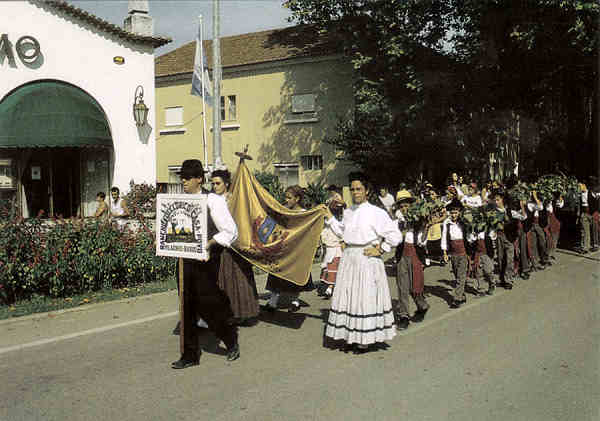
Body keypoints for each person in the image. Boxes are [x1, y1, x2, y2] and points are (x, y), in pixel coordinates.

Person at [171, 159, 240, 369]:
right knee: (187, 306)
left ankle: (230, 339)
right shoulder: (177, 201)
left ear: (199, 179)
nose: (183, 181)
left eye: (188, 178)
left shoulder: (213, 201)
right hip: (185, 262)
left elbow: (230, 231)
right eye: (182, 177)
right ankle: (190, 354)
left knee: (210, 304)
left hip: (206, 260)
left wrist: (209, 243)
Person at [325, 173, 401, 353]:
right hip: (349, 259)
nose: (355, 192)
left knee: (364, 298)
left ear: (366, 191)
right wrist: (328, 215)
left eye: (359, 189)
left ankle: (364, 340)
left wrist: (381, 249)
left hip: (367, 259)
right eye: (352, 189)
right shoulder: (349, 211)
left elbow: (395, 235)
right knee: (350, 297)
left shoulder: (376, 212)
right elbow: (342, 231)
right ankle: (352, 336)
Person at [211, 169, 260, 325]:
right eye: (212, 183)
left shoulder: (233, 200)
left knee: (240, 277)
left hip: (236, 244)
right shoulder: (212, 200)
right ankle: (230, 312)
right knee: (225, 278)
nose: (214, 187)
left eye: (218, 183)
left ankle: (245, 312)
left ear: (226, 184)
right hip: (221, 245)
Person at [264, 185, 314, 313]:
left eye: (289, 197)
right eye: (286, 197)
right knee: (277, 273)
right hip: (282, 248)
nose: (286, 200)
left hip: (297, 250)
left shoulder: (304, 213)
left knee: (295, 275)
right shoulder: (283, 210)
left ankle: (295, 301)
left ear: (297, 199)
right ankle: (272, 301)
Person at [394, 189, 430, 330]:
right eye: (401, 206)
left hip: (415, 254)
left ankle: (422, 306)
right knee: (403, 286)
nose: (404, 209)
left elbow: (422, 241)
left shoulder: (419, 221)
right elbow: (394, 239)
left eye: (406, 206)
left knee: (415, 287)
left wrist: (425, 227)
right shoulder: (398, 222)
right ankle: (404, 316)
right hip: (402, 254)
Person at [442, 199, 469, 308]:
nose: (453, 215)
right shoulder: (447, 223)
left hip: (463, 251)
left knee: (461, 275)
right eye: (452, 212)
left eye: (456, 212)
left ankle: (457, 298)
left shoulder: (463, 223)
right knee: (456, 274)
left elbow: (469, 236)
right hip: (453, 252)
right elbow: (444, 237)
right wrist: (444, 252)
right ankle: (462, 295)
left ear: (460, 212)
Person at [319, 187, 345, 298]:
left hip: (336, 248)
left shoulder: (341, 222)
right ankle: (329, 286)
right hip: (328, 247)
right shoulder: (326, 223)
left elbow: (340, 233)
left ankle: (330, 288)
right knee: (328, 267)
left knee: (334, 267)